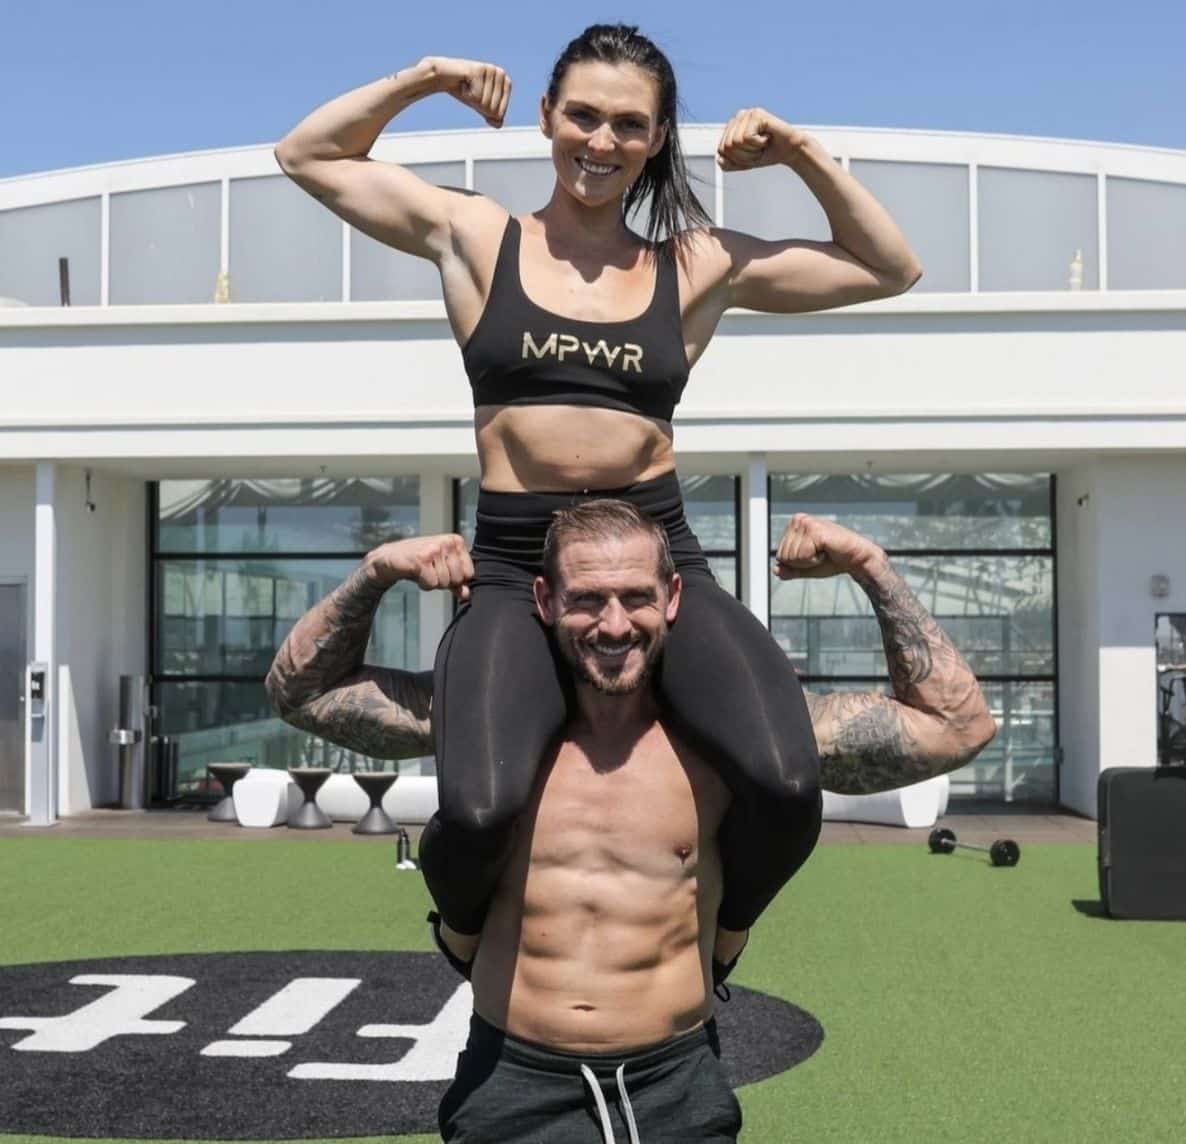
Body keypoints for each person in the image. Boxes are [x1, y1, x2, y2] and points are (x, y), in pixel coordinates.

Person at [274, 23, 924, 979]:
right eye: (582, 115)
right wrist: (425, 78)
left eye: (629, 124)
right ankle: (460, 935)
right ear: (546, 117)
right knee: (480, 811)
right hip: (513, 569)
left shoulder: (695, 265)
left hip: (656, 563)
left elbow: (887, 267)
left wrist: (797, 153)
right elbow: (307, 154)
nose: (601, 140)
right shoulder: (475, 236)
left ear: (657, 139)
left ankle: (724, 941)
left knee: (786, 787)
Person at [267, 507, 995, 1143]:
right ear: (545, 600)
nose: (614, 624)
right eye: (587, 600)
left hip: (673, 1082)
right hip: (513, 1083)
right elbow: (297, 692)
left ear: (673, 596)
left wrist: (871, 566)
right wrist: (374, 572)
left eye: (635, 598)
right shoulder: (482, 728)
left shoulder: (725, 742)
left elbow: (955, 727)